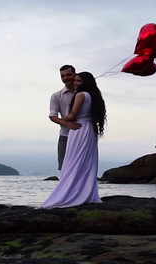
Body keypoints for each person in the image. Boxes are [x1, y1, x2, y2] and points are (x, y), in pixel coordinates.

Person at [41, 71, 107, 209]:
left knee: (73, 162)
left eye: (78, 81)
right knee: (85, 163)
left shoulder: (80, 95)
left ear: (84, 82)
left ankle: (71, 193)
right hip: (89, 129)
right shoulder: (94, 96)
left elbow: (72, 116)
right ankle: (84, 192)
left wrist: (62, 119)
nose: (75, 83)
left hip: (78, 129)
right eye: (75, 81)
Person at [48, 65, 81, 170]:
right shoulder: (57, 96)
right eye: (62, 76)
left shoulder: (85, 93)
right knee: (64, 168)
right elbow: (52, 116)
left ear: (75, 74)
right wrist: (68, 124)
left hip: (83, 133)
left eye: (68, 75)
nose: (65, 78)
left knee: (82, 167)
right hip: (65, 135)